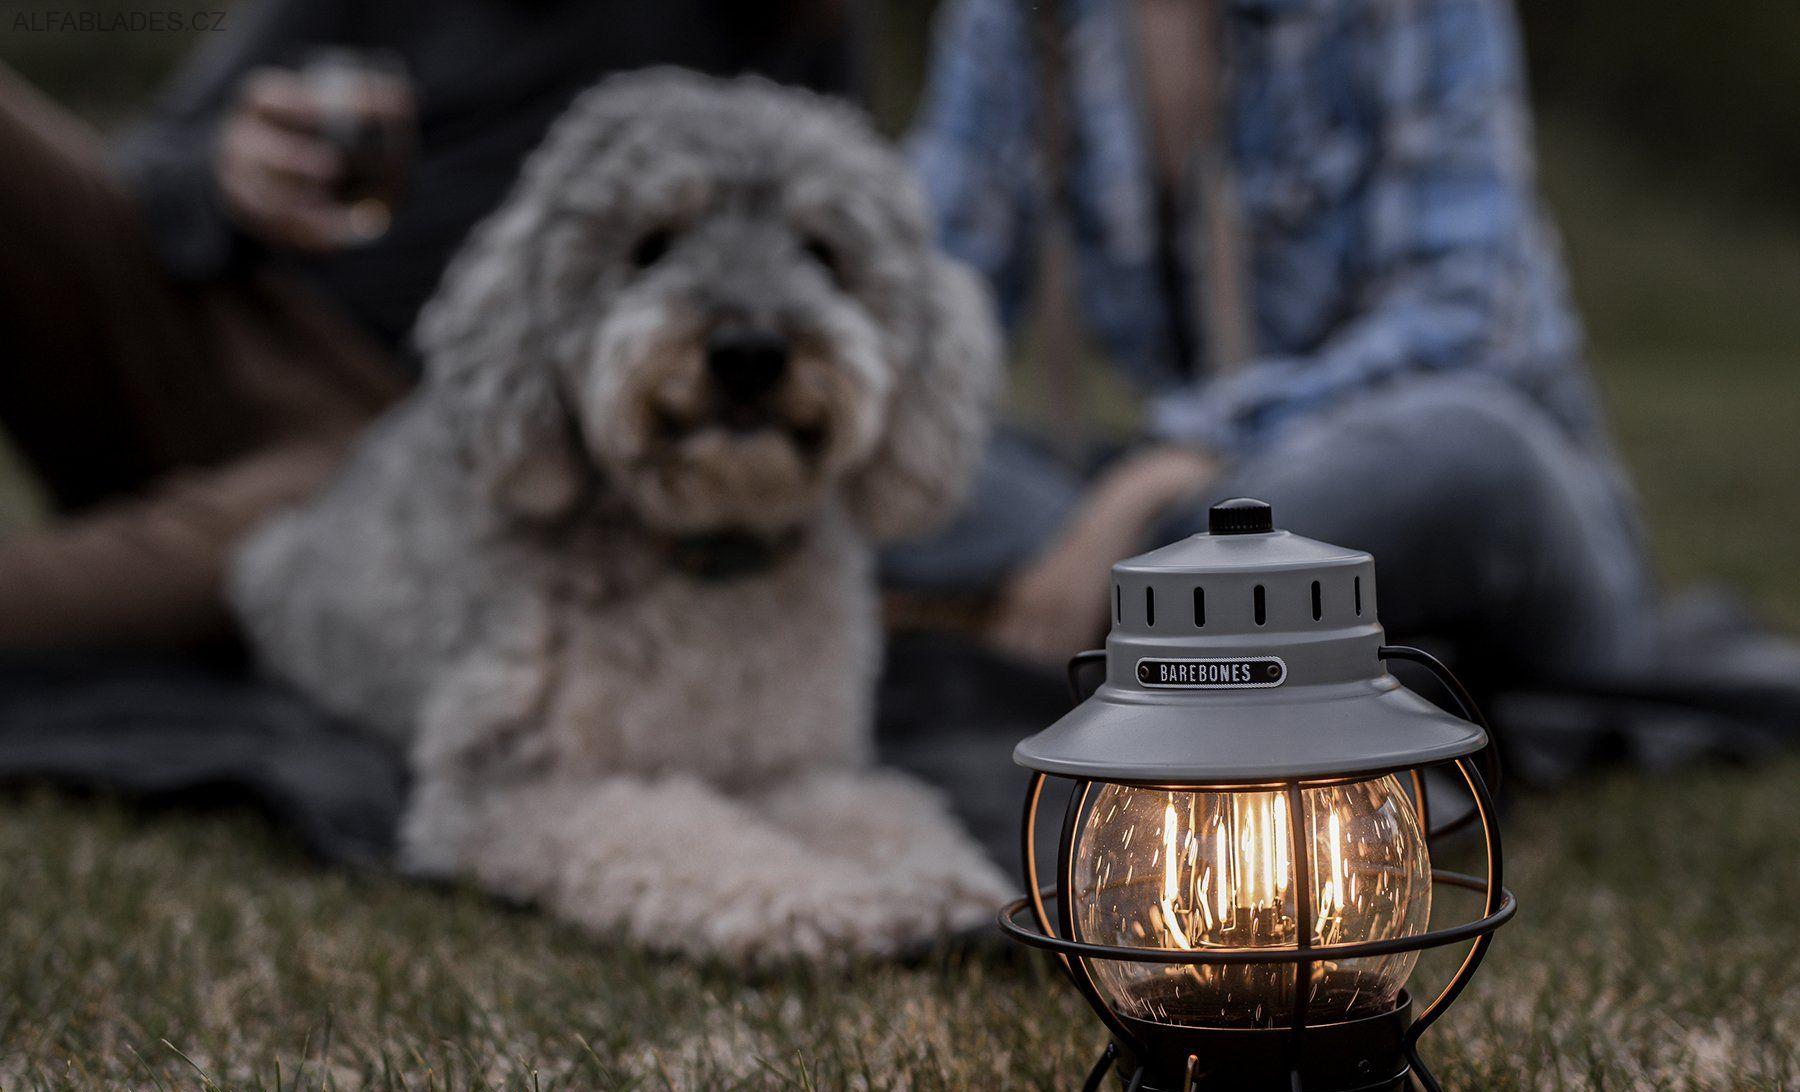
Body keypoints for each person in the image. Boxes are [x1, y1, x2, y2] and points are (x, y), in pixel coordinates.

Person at [890, 0, 1800, 742]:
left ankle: (1124, 611)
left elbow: (1463, 320)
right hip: (1212, 502)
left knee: (1458, 452)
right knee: (868, 463)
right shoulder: (1020, 21)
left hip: (1443, 487)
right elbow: (929, 295)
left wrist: (1153, 477)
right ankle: (1175, 611)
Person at [0, 0, 848, 649]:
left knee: (119, 591)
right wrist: (218, 172)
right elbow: (145, 166)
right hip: (194, 316)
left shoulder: (767, 20)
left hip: (402, 439)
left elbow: (826, 251)